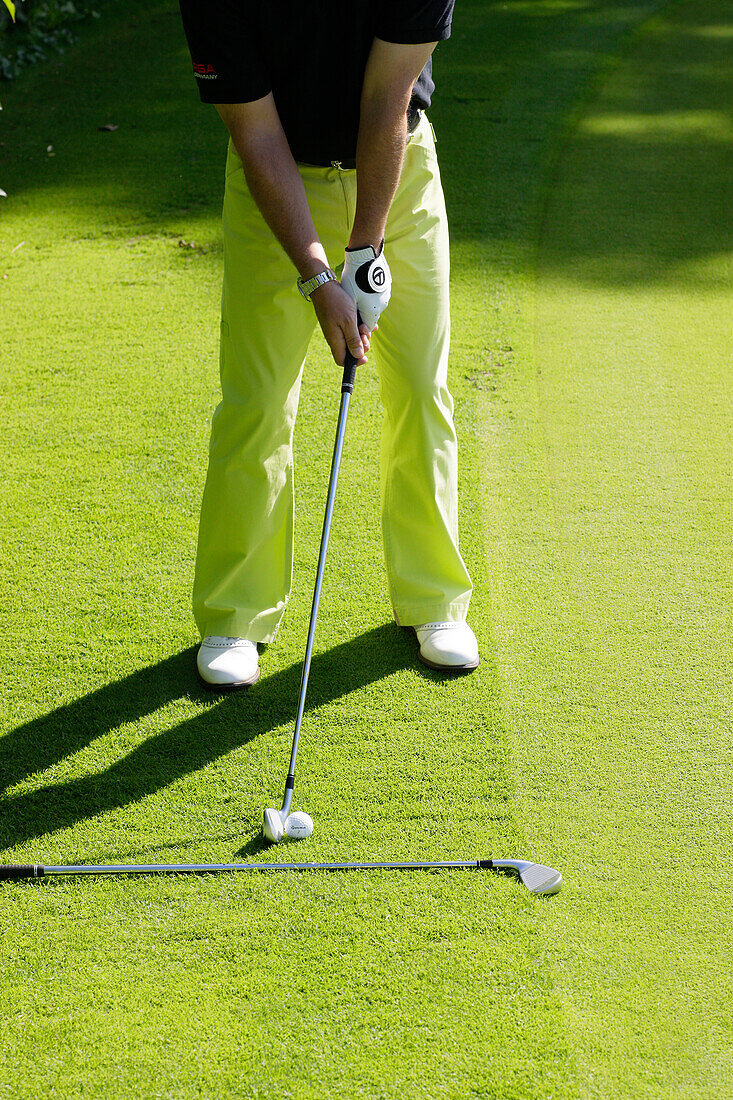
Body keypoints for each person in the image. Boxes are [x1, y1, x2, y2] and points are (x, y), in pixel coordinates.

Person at [178, 1, 478, 688]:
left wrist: (364, 251)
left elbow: (386, 103)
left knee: (419, 385)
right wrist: (318, 278)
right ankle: (235, 616)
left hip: (396, 175)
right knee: (256, 399)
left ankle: (434, 602)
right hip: (275, 181)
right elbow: (255, 134)